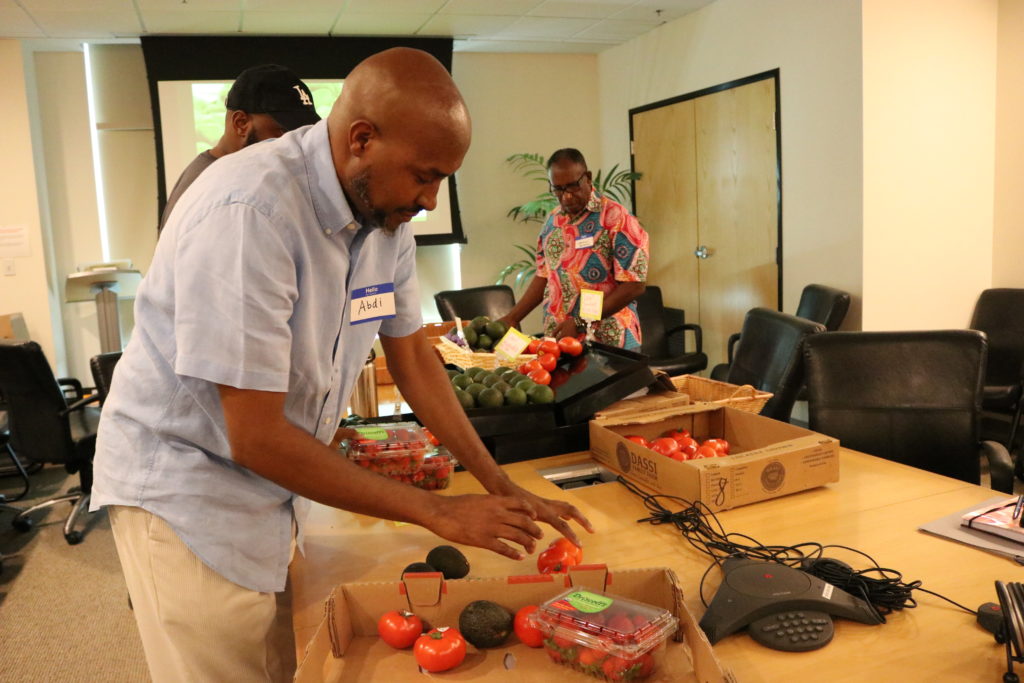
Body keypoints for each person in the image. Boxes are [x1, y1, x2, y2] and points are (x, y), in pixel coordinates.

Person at [91, 48, 592, 683]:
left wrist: (497, 482)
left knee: (284, 659)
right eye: (424, 176)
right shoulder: (250, 212)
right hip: (188, 491)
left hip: (272, 486)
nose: (431, 200)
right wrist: (437, 512)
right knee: (228, 661)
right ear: (361, 140)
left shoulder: (386, 217)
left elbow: (411, 355)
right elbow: (255, 434)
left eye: (443, 180)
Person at [499, 148, 649, 349]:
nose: (567, 196)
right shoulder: (552, 221)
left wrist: (580, 321)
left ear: (588, 178)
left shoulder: (617, 218)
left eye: (572, 186)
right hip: (559, 340)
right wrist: (513, 317)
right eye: (558, 189)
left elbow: (634, 285)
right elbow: (544, 275)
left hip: (610, 342)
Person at [157, 63, 321, 234]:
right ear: (241, 123)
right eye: (284, 131)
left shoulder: (237, 178)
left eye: (304, 133)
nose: (296, 142)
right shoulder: (211, 187)